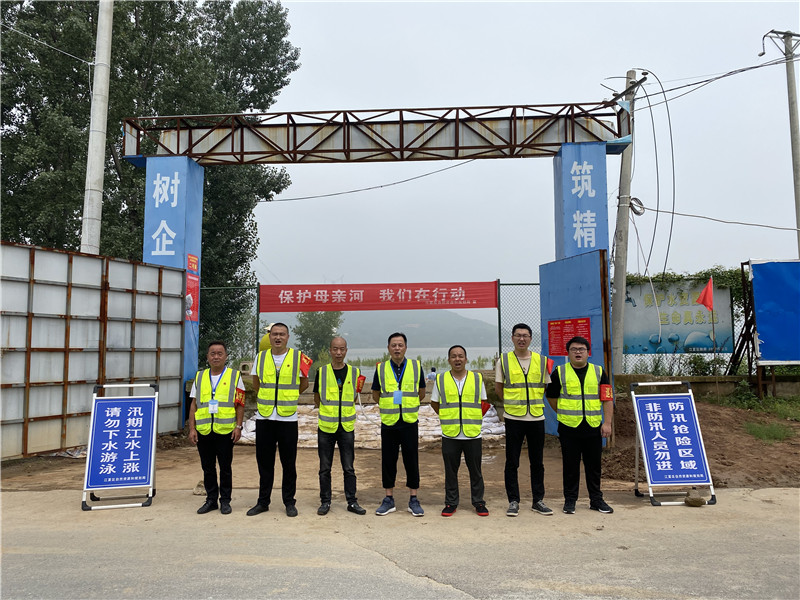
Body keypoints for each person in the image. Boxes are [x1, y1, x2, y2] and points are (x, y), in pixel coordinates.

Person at [247, 323, 311, 518]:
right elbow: (256, 383)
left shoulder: (298, 357)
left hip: (288, 418)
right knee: (264, 463)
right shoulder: (261, 357)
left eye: (282, 334)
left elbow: (304, 384)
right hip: (265, 417)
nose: (278, 337)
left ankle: (289, 502)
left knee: (288, 463)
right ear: (270, 337)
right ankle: (263, 502)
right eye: (275, 334)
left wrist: (288, 397)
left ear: (288, 337)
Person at [546, 336, 614, 514]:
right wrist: (563, 412)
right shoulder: (559, 372)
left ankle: (596, 500)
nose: (578, 352)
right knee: (570, 466)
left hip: (593, 427)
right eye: (574, 349)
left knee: (594, 467)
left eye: (581, 349)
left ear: (588, 353)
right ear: (568, 353)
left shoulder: (599, 372)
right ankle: (570, 501)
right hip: (569, 428)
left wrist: (607, 423)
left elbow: (607, 399)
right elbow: (551, 397)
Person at [495, 323, 552, 517]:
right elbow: (499, 388)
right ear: (512, 338)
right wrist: (513, 405)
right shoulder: (504, 360)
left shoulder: (542, 361)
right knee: (512, 461)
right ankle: (513, 501)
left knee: (537, 462)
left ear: (530, 338)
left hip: (536, 416)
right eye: (518, 335)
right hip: (513, 418)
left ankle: (538, 500)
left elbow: (545, 387)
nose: (521, 339)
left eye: (525, 335)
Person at [188, 341, 245, 515]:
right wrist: (192, 428)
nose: (216, 357)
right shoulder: (200, 377)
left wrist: (238, 426)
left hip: (226, 431)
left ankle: (225, 501)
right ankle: (211, 500)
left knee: (225, 468)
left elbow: (240, 404)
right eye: (212, 353)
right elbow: (194, 405)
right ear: (207, 357)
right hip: (204, 431)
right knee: (208, 468)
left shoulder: (234, 376)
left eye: (220, 353)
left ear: (226, 356)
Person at [430, 345, 488, 517]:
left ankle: (478, 502)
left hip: (472, 433)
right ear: (449, 360)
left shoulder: (477, 378)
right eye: (454, 356)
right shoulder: (441, 379)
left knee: (476, 471)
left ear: (466, 359)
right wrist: (448, 416)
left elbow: (483, 402)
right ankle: (451, 503)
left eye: (461, 356)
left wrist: (471, 418)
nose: (457, 359)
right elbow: (435, 403)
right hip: (450, 433)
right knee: (450, 471)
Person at [372, 332, 426, 516]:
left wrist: (408, 405)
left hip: (409, 421)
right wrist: (389, 406)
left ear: (406, 347)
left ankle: (413, 499)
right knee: (388, 460)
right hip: (389, 422)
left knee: (412, 460)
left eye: (400, 345)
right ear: (388, 348)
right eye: (393, 345)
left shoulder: (416, 366)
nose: (397, 348)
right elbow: (376, 394)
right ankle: (389, 499)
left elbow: (421, 392)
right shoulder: (381, 368)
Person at [313, 337, 366, 516]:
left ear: (346, 351)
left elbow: (354, 397)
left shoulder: (354, 372)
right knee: (324, 468)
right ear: (330, 350)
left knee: (349, 467)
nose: (338, 353)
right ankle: (325, 501)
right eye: (335, 349)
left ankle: (352, 501)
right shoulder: (322, 372)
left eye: (342, 349)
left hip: (346, 427)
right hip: (326, 427)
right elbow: (317, 398)